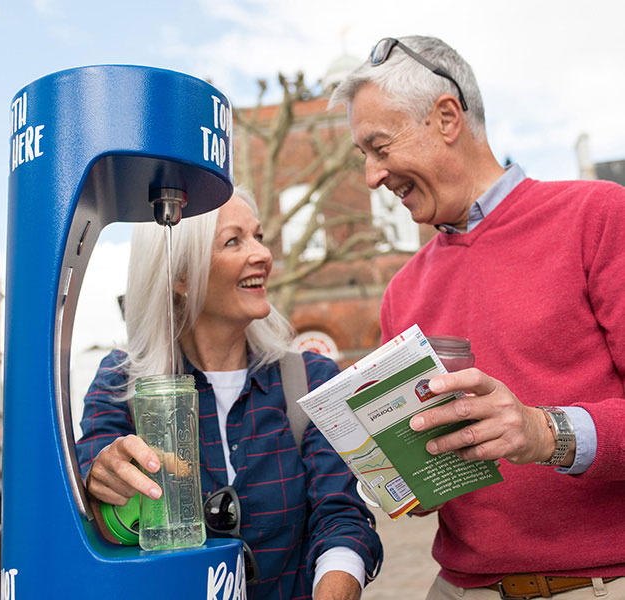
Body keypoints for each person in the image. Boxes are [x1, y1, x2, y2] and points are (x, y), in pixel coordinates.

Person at [330, 35, 625, 600]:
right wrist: (402, 479)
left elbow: (539, 432)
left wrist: (546, 432)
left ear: (446, 118)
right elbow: (429, 483)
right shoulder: (402, 290)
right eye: (361, 156)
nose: (370, 176)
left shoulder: (598, 216)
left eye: (379, 147)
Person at [76, 187, 382, 600]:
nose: (262, 254)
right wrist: (101, 479)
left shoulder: (311, 378)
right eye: (234, 241)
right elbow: (90, 515)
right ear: (181, 274)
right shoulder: (122, 383)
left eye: (258, 236)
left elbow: (341, 516)